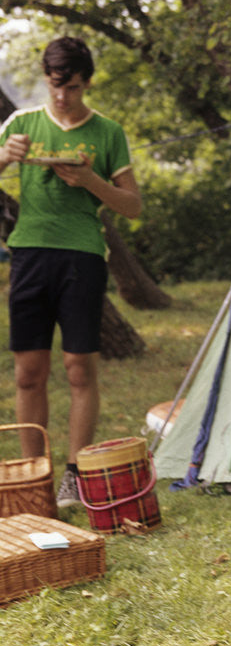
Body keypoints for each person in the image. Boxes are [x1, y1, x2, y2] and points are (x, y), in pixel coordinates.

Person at [0, 36, 142, 506]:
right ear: (46, 79)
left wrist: (90, 180)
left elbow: (133, 206)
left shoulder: (107, 133)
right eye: (56, 87)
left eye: (74, 88)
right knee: (28, 373)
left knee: (80, 369)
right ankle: (33, 478)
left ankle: (74, 475)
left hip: (81, 256)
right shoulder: (21, 124)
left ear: (86, 84)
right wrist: (4, 156)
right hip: (30, 256)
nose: (63, 98)